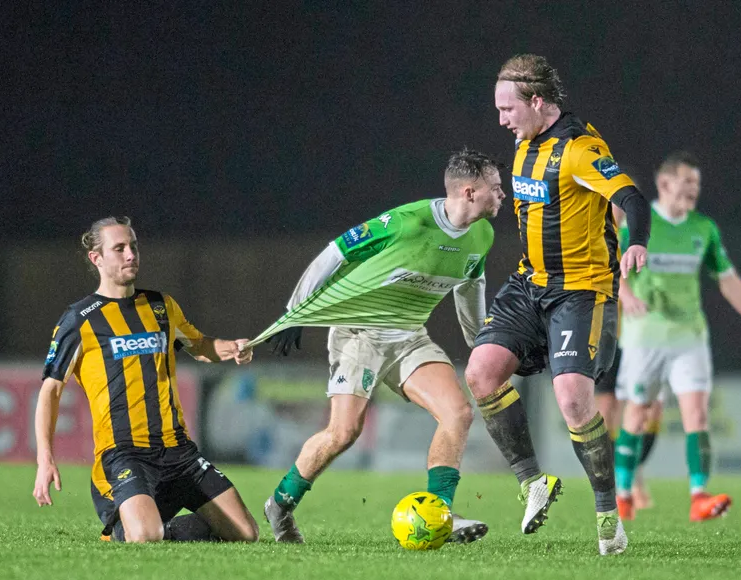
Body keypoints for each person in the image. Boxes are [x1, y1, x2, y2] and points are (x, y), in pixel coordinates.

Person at [254, 149, 504, 545]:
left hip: (409, 336)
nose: (503, 194)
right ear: (470, 192)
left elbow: (471, 288)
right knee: (343, 432)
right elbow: (335, 253)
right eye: (496, 187)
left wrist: (481, 346)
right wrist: (295, 311)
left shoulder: (483, 235)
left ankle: (441, 512)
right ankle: (280, 504)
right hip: (359, 335)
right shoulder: (406, 222)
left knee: (457, 413)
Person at [465, 54, 655, 556]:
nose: (502, 119)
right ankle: (532, 482)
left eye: (508, 108)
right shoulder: (524, 145)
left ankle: (608, 516)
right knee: (482, 373)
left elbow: (631, 197)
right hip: (531, 285)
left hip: (580, 290)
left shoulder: (581, 148)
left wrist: (637, 242)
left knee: (572, 400)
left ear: (538, 101)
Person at [33, 217, 259, 544]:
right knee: (144, 537)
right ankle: (130, 524)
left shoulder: (160, 306)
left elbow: (200, 346)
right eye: (119, 248)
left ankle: (151, 524)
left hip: (178, 450)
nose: (130, 255)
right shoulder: (79, 320)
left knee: (246, 533)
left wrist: (232, 348)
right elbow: (50, 390)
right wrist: (45, 458)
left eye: (134, 246)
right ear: (96, 258)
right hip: (125, 454)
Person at [613, 151, 741, 522]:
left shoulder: (703, 229)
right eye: (686, 181)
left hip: (689, 336)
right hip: (645, 337)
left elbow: (729, 281)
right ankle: (623, 494)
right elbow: (613, 267)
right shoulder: (640, 225)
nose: (694, 189)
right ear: (663, 184)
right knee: (638, 414)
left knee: (697, 415)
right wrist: (625, 294)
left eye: (697, 183)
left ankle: (698, 496)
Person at [594, 203, 660, 510]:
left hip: (643, 339)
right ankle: (614, 485)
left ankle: (634, 473)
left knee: (648, 411)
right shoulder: (597, 234)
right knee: (606, 411)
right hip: (606, 334)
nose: (621, 208)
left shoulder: (644, 240)